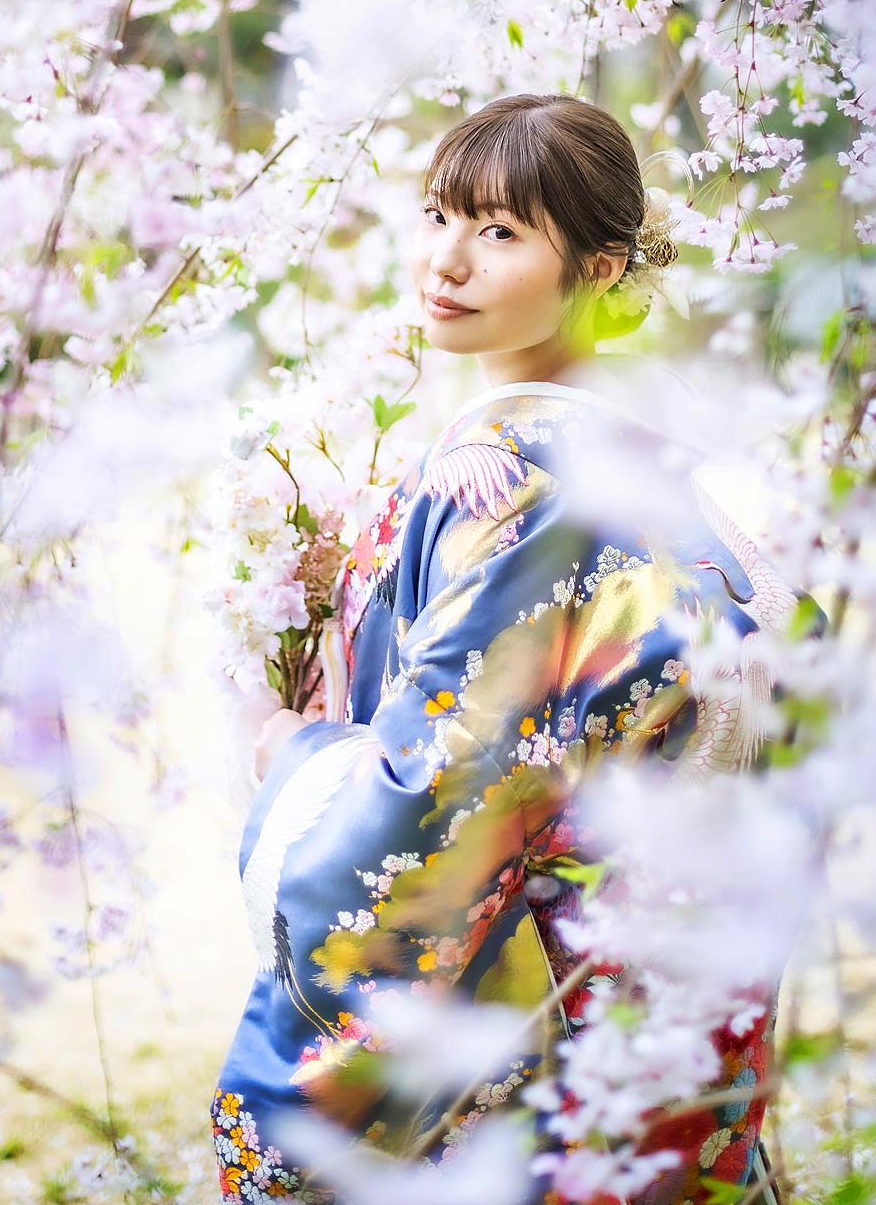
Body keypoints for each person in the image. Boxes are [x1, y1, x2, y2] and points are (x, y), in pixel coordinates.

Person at [209, 93, 809, 1204]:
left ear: (599, 267)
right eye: (439, 215)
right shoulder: (655, 465)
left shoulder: (510, 478)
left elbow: (434, 797)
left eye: (498, 232)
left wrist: (291, 754)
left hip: (550, 1000)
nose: (447, 260)